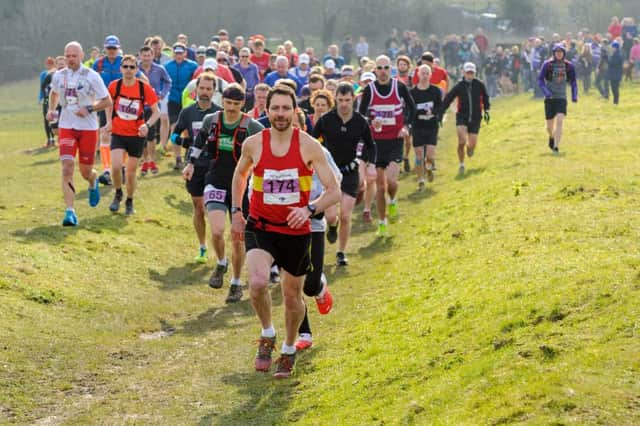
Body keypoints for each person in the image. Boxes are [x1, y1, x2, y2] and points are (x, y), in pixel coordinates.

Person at [230, 85, 340, 378]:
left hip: (295, 231)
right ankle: (267, 334)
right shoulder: (254, 143)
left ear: (294, 111)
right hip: (261, 226)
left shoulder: (309, 146)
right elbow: (240, 174)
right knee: (256, 282)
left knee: (292, 297)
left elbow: (334, 191)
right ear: (266, 111)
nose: (280, 114)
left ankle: (289, 348)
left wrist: (308, 209)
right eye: (275, 109)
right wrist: (237, 212)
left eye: (285, 109)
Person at [184, 84, 264, 303]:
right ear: (223, 101)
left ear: (242, 105)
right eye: (228, 103)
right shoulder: (212, 120)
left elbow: (265, 150)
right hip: (216, 180)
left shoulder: (252, 126)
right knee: (218, 230)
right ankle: (221, 263)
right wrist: (190, 164)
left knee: (238, 238)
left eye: (236, 105)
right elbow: (198, 142)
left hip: (241, 187)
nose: (230, 108)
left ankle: (236, 283)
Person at [47, 41, 112, 226]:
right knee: (67, 167)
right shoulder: (59, 76)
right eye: (67, 56)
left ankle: (93, 181)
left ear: (81, 56)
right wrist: (51, 110)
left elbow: (107, 101)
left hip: (88, 128)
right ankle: (70, 211)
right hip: (66, 126)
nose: (70, 59)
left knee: (85, 172)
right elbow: (54, 93)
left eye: (74, 56)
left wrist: (90, 108)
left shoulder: (92, 76)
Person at [312, 82, 376, 265]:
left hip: (349, 171)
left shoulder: (360, 121)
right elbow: (311, 140)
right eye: (340, 100)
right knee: (332, 216)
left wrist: (370, 165)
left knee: (346, 215)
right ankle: (332, 226)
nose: (344, 104)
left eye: (347, 100)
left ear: (353, 99)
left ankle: (341, 252)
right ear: (335, 100)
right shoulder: (326, 120)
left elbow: (371, 145)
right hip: (329, 173)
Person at [358, 55, 415, 236]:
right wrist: (370, 121)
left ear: (391, 70)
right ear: (375, 70)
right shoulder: (369, 90)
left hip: (394, 141)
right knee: (380, 187)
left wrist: (406, 126)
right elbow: (361, 115)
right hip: (376, 144)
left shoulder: (399, 87)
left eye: (385, 68)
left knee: (391, 181)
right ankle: (382, 223)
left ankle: (393, 200)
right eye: (379, 68)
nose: (382, 71)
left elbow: (412, 108)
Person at [170, 73, 221, 263]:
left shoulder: (219, 113)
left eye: (209, 89)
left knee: (214, 208)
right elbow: (173, 137)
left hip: (215, 166)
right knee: (199, 208)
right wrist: (190, 142)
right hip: (194, 165)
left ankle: (219, 247)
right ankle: (202, 247)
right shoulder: (187, 112)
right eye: (202, 88)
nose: (205, 92)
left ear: (213, 91)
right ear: (196, 90)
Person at [105, 55, 160, 215]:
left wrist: (147, 124)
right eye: (125, 67)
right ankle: (117, 193)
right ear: (121, 69)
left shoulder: (144, 88)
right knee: (115, 167)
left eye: (132, 67)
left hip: (136, 135)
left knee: (130, 173)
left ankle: (129, 200)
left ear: (136, 70)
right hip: (118, 132)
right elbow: (108, 105)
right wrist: (108, 122)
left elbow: (157, 112)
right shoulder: (115, 86)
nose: (128, 70)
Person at [440, 62, 490, 173]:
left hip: (476, 117)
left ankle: (470, 147)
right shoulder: (459, 85)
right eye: (468, 73)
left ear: (474, 73)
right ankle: (461, 164)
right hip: (462, 116)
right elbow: (449, 98)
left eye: (471, 73)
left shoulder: (479, 84)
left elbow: (486, 97)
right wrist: (441, 111)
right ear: (464, 73)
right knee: (461, 141)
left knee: (472, 145)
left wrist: (486, 110)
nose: (469, 75)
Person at [93, 35, 123, 186]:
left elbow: (139, 77)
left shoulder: (125, 62)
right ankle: (106, 170)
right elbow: (89, 82)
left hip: (123, 104)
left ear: (118, 48)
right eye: (109, 48)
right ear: (105, 48)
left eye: (114, 48)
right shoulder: (98, 64)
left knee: (123, 135)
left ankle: (121, 167)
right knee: (105, 133)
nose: (111, 51)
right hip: (104, 103)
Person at [537, 44, 578, 154]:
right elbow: (540, 80)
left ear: (564, 53)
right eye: (557, 52)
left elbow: (573, 82)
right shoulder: (547, 65)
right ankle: (551, 137)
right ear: (554, 53)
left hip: (561, 97)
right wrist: (546, 92)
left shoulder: (569, 66)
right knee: (549, 127)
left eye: (561, 52)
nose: (559, 54)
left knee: (560, 120)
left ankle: (556, 146)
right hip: (550, 98)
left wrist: (574, 95)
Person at [138, 45, 172, 176]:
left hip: (152, 106)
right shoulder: (135, 69)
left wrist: (162, 94)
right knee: (141, 135)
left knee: (151, 135)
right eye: (144, 56)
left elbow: (168, 82)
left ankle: (151, 160)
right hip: (139, 105)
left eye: (149, 55)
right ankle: (145, 160)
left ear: (153, 56)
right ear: (140, 56)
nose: (146, 58)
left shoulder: (159, 69)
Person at [164, 43, 198, 169]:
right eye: (176, 53)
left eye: (180, 53)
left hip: (187, 101)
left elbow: (197, 81)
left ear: (185, 53)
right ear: (173, 53)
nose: (178, 55)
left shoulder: (192, 66)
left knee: (188, 130)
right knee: (174, 127)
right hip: (173, 100)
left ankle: (189, 155)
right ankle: (177, 157)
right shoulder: (167, 66)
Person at [410, 65, 442, 190]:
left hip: (431, 126)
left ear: (430, 75)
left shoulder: (435, 91)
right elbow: (410, 109)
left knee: (429, 156)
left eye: (426, 73)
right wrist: (421, 112)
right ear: (418, 75)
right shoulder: (412, 93)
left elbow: (440, 107)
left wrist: (433, 111)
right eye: (422, 73)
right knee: (419, 155)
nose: (424, 76)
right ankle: (421, 180)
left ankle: (428, 169)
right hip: (417, 126)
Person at [39, 57, 57, 147]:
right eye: (48, 64)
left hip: (56, 100)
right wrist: (43, 97)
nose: (49, 66)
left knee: (54, 120)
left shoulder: (58, 74)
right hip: (47, 99)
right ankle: (50, 139)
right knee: (47, 119)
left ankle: (54, 139)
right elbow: (42, 87)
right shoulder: (45, 74)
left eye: (51, 64)